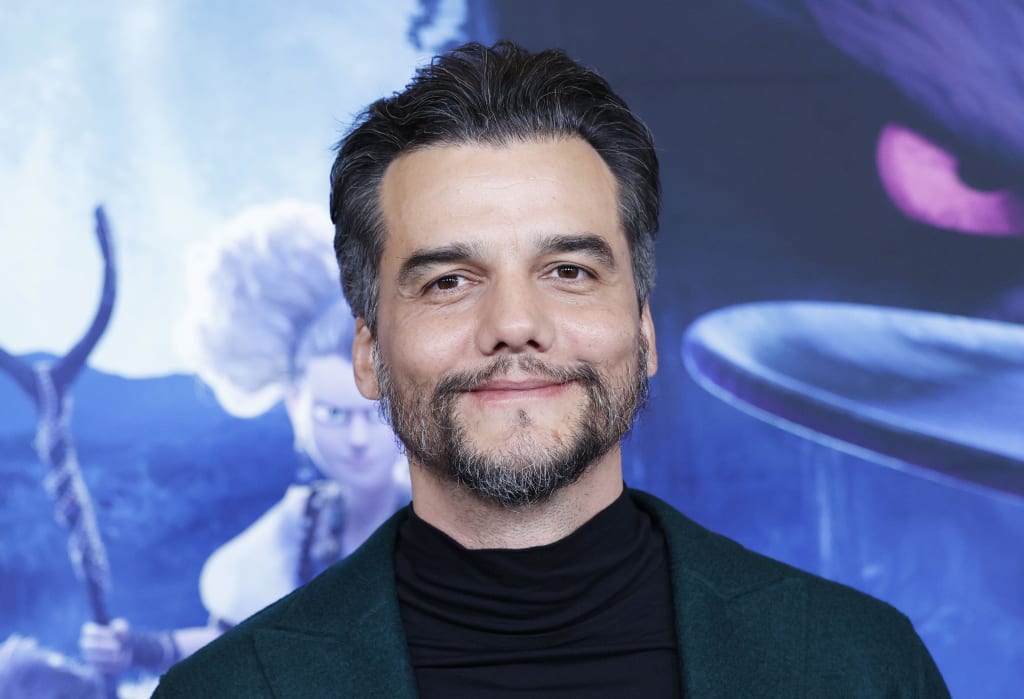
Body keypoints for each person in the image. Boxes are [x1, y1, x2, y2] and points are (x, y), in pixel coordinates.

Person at [152, 42, 949, 697]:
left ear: (642, 329)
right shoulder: (227, 691)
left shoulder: (858, 667)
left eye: (568, 271)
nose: (514, 324)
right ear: (368, 353)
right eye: (449, 281)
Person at [79, 201, 408, 680]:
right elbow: (238, 640)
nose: (358, 439)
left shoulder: (444, 509)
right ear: (296, 404)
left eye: (376, 410)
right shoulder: (302, 528)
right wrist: (141, 649)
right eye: (333, 414)